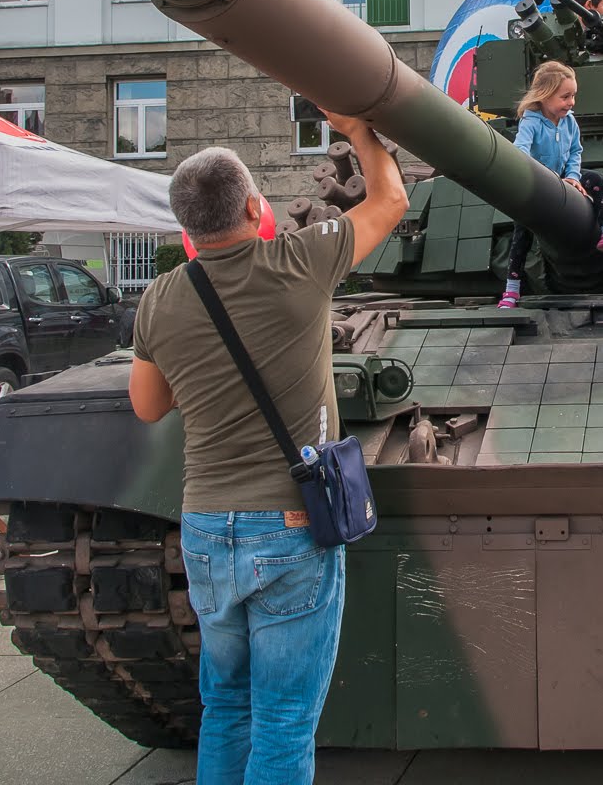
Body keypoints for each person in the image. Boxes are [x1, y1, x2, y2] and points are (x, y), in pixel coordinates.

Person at [126, 116, 407, 785]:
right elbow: (391, 199)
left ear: (184, 227)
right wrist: (358, 131)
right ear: (256, 207)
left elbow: (147, 406)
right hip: (288, 527)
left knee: (225, 705)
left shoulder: (161, 297)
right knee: (283, 719)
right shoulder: (301, 260)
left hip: (204, 524)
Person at [499, 61, 603, 307]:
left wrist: (573, 177)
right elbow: (520, 149)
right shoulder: (530, 121)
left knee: (596, 179)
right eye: (565, 97)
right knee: (522, 235)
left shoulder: (569, 121)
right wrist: (533, 177)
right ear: (544, 95)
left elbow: (575, 151)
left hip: (566, 175)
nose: (571, 102)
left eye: (573, 95)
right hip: (539, 181)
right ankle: (511, 289)